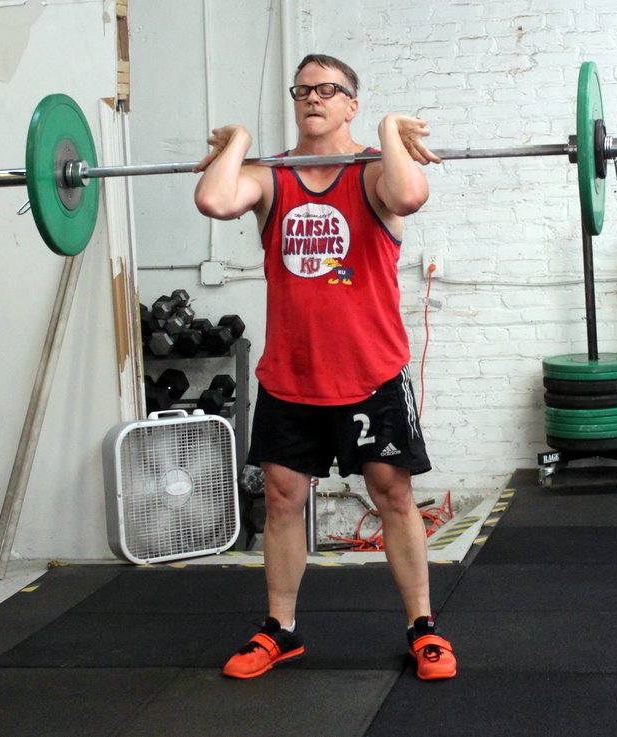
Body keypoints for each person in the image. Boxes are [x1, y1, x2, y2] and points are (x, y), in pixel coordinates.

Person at [194, 53, 456, 681]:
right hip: (293, 375)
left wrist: (389, 130)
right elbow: (214, 199)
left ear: (350, 105)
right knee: (283, 499)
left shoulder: (374, 171)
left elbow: (410, 195)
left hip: (371, 371)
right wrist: (240, 140)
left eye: (328, 89)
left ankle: (423, 628)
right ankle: (280, 630)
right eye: (303, 90)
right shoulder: (270, 177)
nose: (313, 97)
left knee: (393, 495)